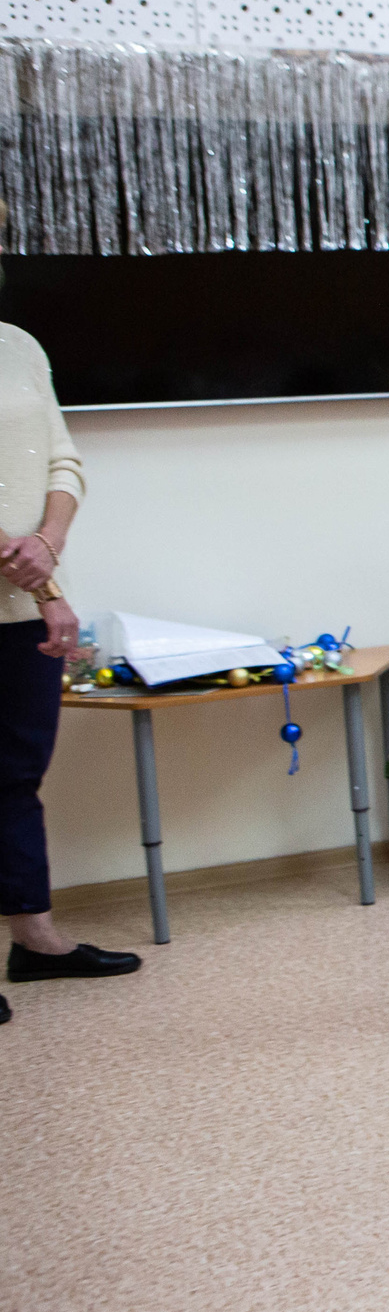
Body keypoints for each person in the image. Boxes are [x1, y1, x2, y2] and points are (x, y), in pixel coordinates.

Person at [0, 320, 131, 1026]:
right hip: (32, 586)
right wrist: (33, 571)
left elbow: (62, 461)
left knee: (18, 771)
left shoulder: (18, 345)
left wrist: (46, 548)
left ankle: (36, 940)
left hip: (27, 598)